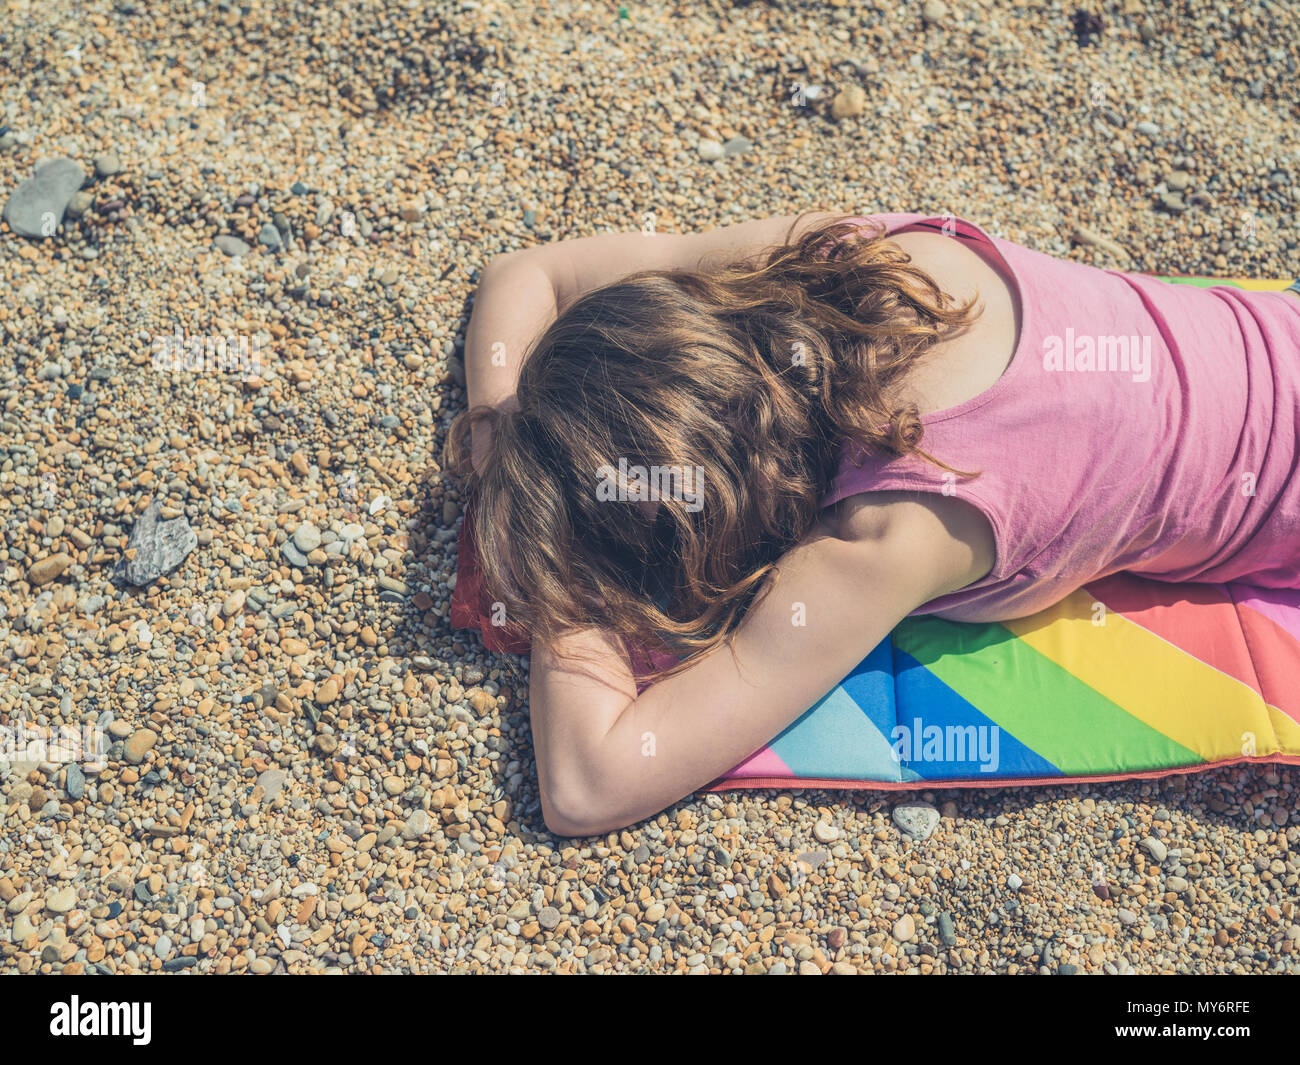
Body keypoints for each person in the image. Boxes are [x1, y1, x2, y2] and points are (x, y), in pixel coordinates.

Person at [445, 210, 1300, 836]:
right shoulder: (857, 263)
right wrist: (501, 428)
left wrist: (564, 567)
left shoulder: (891, 530)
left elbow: (589, 783)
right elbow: (530, 271)